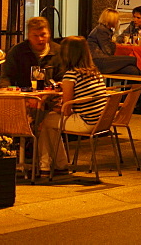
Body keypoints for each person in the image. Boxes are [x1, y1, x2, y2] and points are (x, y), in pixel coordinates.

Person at [37, 36, 108, 173]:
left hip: (86, 122)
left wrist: (56, 106)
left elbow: (67, 110)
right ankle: (59, 164)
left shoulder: (71, 74)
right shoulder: (94, 72)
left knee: (46, 121)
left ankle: (45, 165)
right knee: (51, 121)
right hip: (100, 120)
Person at [0, 17, 60, 88]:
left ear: (49, 34)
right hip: (23, 95)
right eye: (35, 35)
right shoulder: (17, 52)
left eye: (43, 35)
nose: (40, 39)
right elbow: (6, 77)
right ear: (28, 35)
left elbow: (63, 77)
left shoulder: (58, 51)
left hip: (52, 96)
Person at [87, 8, 141, 76]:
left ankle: (140, 86)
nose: (118, 21)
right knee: (134, 60)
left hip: (101, 60)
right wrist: (113, 42)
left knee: (133, 70)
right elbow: (109, 51)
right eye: (117, 19)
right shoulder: (101, 31)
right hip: (100, 61)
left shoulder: (103, 30)